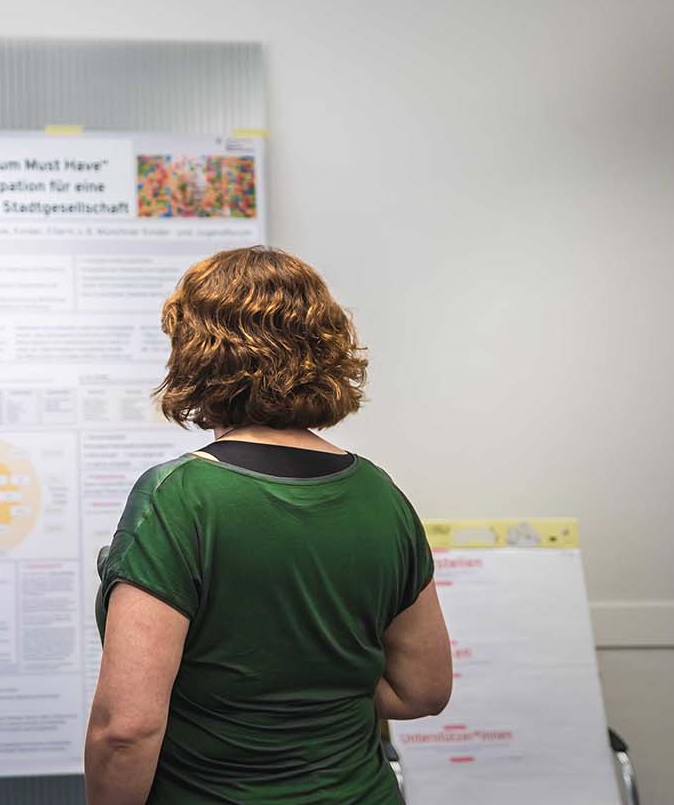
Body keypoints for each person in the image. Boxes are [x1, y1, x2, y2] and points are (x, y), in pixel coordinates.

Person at [86, 246, 452, 805]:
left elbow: (126, 729)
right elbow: (423, 689)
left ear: (196, 354)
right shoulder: (381, 495)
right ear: (325, 349)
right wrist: (312, 691)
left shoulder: (178, 498)